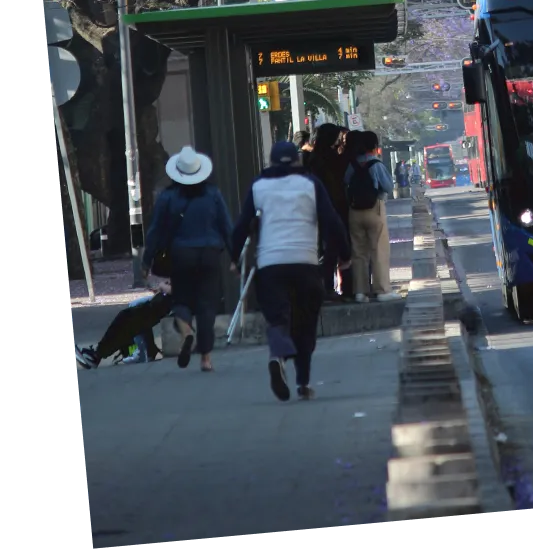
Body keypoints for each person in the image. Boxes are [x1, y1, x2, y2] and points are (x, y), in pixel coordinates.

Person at [231, 140, 351, 402]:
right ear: (297, 160)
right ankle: (303, 384)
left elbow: (241, 225)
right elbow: (332, 221)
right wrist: (345, 255)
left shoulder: (258, 186)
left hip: (270, 265)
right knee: (306, 324)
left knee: (277, 318)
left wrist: (233, 257)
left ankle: (277, 356)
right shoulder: (311, 184)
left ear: (271, 161)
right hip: (305, 263)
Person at [141, 145, 233, 372]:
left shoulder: (168, 197)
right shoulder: (213, 194)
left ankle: (187, 333)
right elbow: (227, 227)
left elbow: (155, 231)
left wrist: (146, 261)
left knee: (181, 301)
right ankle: (206, 359)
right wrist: (236, 257)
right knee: (207, 306)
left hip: (180, 255)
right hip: (210, 255)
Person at [344, 130, 400, 304]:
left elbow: (345, 183)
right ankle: (382, 290)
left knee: (358, 252)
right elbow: (389, 187)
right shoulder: (376, 164)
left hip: (354, 212)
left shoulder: (352, 164)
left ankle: (360, 292)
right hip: (374, 209)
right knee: (378, 250)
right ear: (375, 147)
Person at [74, 284, 172, 368]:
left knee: (132, 315)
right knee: (135, 307)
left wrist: (163, 286)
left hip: (177, 300)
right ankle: (141, 349)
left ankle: (98, 353)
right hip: (172, 296)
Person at [307, 122, 353, 301]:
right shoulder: (331, 157)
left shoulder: (312, 158)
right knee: (336, 247)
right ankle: (338, 287)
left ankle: (326, 286)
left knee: (325, 249)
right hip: (335, 205)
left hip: (318, 207)